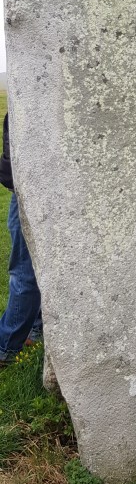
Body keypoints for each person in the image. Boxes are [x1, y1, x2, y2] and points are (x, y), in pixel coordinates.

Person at [0, 112, 43, 369]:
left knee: (23, 270)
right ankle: (35, 329)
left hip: (31, 186)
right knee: (30, 267)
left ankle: (6, 347)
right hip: (26, 185)